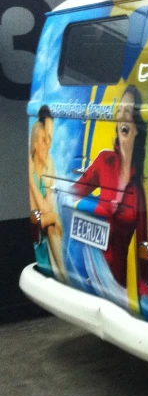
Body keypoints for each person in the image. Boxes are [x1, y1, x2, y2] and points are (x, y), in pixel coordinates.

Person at [74, 86, 148, 294]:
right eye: (120, 112)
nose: (122, 117)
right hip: (88, 274)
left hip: (117, 286)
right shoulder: (104, 161)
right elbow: (72, 193)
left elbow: (144, 249)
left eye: (129, 112)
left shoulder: (139, 192)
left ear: (137, 128)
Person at [29, 106, 67, 282]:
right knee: (52, 225)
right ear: (35, 141)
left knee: (53, 226)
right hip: (40, 241)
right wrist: (52, 217)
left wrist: (51, 217)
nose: (49, 144)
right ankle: (62, 276)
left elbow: (46, 208)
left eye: (50, 139)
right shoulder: (32, 166)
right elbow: (41, 215)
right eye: (45, 139)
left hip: (47, 235)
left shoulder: (49, 165)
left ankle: (64, 277)